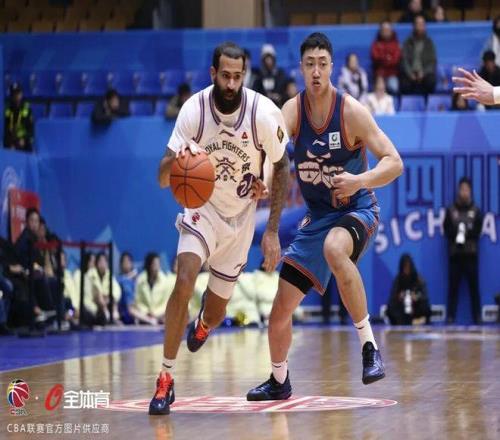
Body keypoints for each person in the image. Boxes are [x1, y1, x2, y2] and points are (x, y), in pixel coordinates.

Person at [247, 32, 403, 401]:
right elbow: (272, 157)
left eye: (322, 64)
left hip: (357, 208)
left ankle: (369, 347)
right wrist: (263, 180)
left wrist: (359, 180)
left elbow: (394, 162)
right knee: (279, 313)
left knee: (335, 248)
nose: (316, 71)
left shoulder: (350, 111)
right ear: (301, 69)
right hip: (318, 217)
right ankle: (279, 380)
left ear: (332, 67)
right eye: (309, 64)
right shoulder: (291, 111)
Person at [149, 41, 290, 415]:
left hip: (241, 220)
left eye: (237, 76)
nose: (231, 83)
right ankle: (165, 377)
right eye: (225, 75)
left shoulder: (262, 112)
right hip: (202, 209)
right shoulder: (194, 111)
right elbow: (161, 177)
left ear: (244, 75)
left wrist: (271, 230)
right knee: (184, 279)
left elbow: (282, 166)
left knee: (215, 314)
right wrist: (177, 163)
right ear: (213, 73)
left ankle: (203, 322)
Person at [444, 178, 483, 325]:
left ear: (470, 191)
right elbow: (446, 230)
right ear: (459, 190)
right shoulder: (451, 210)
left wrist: (466, 232)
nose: (464, 192)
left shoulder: (476, 211)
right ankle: (450, 317)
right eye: (462, 189)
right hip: (455, 255)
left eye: (467, 189)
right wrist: (457, 232)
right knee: (453, 288)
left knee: (474, 288)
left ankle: (477, 316)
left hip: (471, 255)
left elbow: (478, 232)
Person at [386, 254, 430, 325]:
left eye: (408, 267)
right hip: (402, 308)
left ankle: (413, 321)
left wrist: (416, 297)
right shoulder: (398, 279)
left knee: (426, 307)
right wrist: (400, 296)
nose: (406, 270)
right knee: (390, 309)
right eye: (405, 267)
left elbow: (424, 296)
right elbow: (393, 297)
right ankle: (412, 322)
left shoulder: (418, 279)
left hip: (415, 307)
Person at [130, 252, 173, 325]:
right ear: (149, 265)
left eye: (158, 264)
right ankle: (149, 321)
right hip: (145, 315)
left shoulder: (165, 281)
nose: (157, 267)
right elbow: (138, 301)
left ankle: (154, 321)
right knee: (132, 309)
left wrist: (156, 313)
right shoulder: (140, 280)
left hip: (161, 314)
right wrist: (147, 312)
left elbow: (166, 303)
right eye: (155, 264)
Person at [400, 15, 437, 95]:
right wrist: (410, 73)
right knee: (404, 84)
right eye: (418, 24)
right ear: (414, 26)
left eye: (422, 24)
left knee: (431, 81)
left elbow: (432, 61)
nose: (420, 27)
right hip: (410, 72)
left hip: (424, 73)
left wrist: (423, 73)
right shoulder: (407, 42)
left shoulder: (429, 42)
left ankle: (427, 101)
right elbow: (404, 60)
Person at [370, 21, 401, 95]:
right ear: (381, 31)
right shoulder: (376, 44)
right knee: (378, 88)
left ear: (391, 31)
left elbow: (396, 60)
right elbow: (375, 58)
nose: (386, 32)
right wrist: (387, 58)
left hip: (392, 74)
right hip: (379, 74)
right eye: (384, 30)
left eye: (388, 30)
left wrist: (384, 59)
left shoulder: (396, 44)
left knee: (394, 87)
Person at [4, 83, 34, 152]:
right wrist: (11, 142)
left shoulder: (27, 109)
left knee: (28, 146)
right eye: (14, 94)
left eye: (18, 93)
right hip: (10, 140)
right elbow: (5, 128)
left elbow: (30, 129)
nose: (16, 96)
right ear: (11, 95)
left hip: (24, 140)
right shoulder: (7, 110)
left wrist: (23, 139)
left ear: (21, 94)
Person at [117, 251, 138, 324]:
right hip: (125, 311)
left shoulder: (137, 280)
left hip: (138, 308)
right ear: (121, 264)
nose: (126, 263)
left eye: (128, 261)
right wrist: (130, 276)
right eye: (124, 261)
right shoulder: (118, 280)